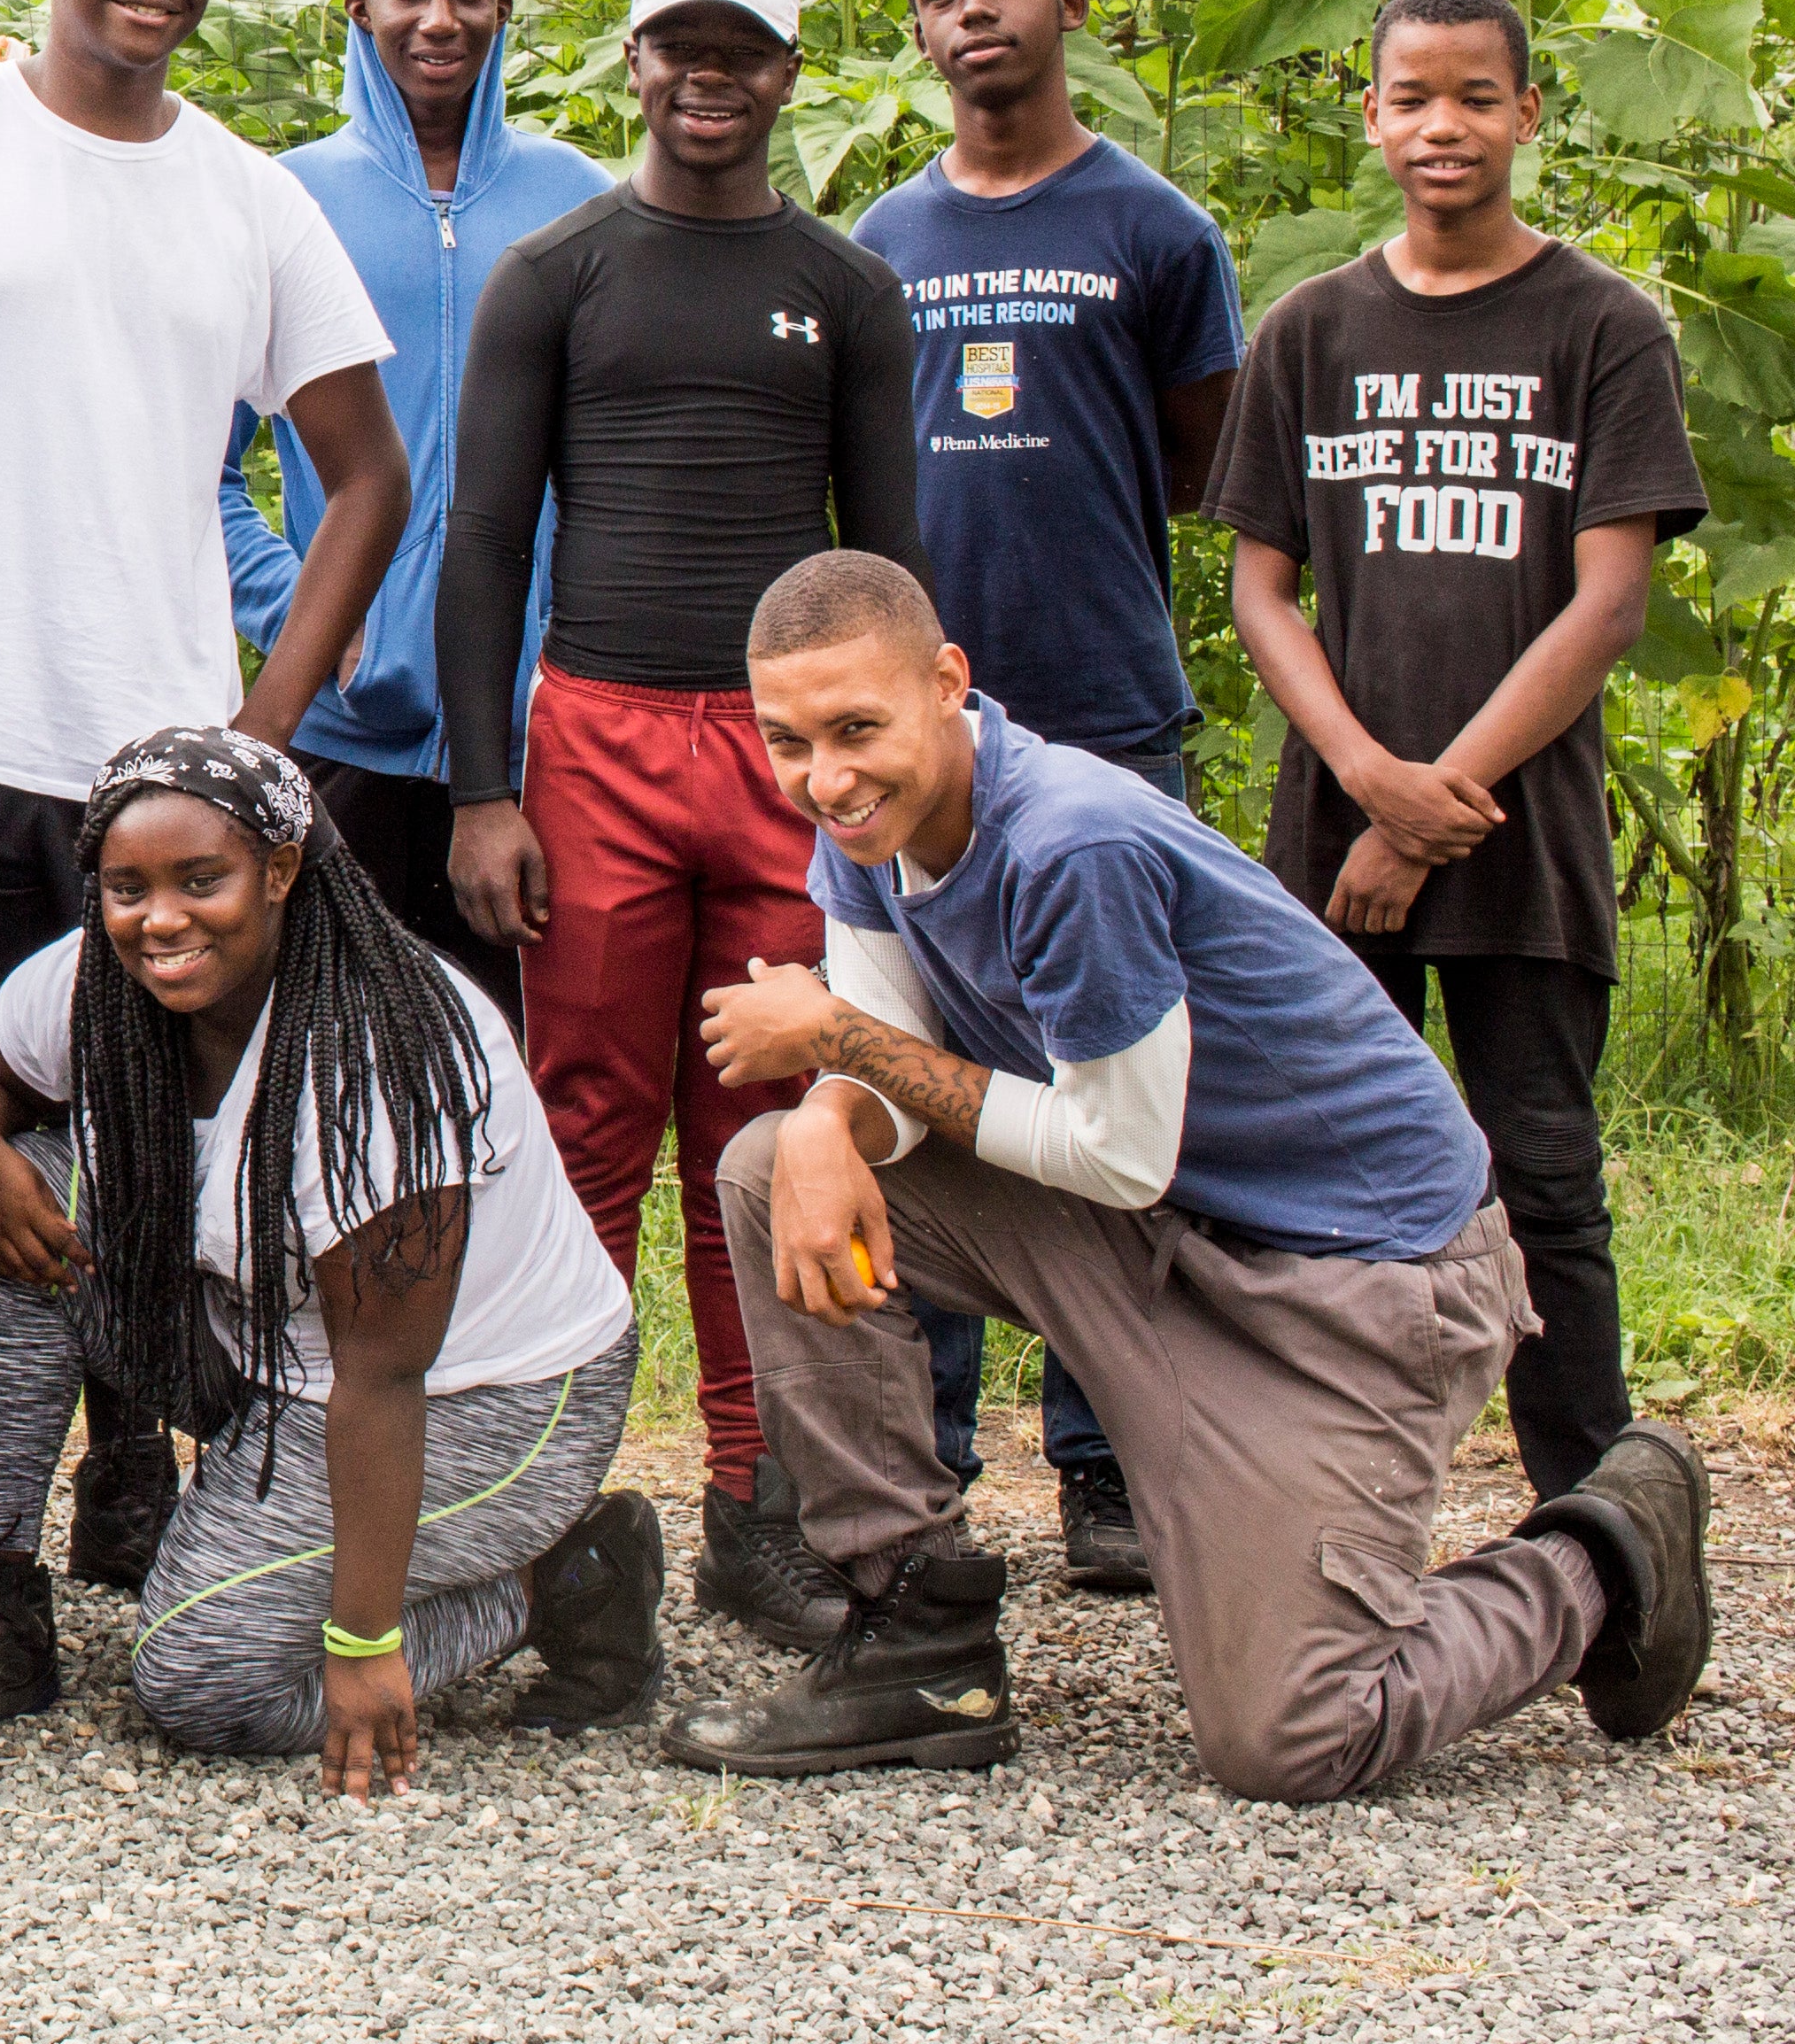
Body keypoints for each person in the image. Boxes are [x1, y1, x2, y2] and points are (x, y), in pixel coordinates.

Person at [665, 552, 1709, 1795]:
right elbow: (896, 1052)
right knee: (773, 1161)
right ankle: (917, 1639)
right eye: (788, 741)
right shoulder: (868, 827)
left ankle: (1606, 1552)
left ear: (948, 684)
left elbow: (1116, 1151)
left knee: (1293, 1738)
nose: (824, 778)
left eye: (855, 729)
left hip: (1359, 1280)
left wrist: (834, 1042)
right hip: (1160, 1228)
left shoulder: (1070, 844)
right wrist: (835, 1112)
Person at [0, 0, 402, 1583]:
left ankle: (131, 1466)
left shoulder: (247, 196)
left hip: (154, 788)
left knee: (146, 1140)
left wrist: (264, 740)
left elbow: (364, 475)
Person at [434, 0, 917, 1651]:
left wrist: (894, 786)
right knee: (583, 1134)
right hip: (602, 742)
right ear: (633, 60)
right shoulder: (560, 275)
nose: (709, 81)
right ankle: (551, 1510)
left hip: (792, 760)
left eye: (744, 54)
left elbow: (892, 561)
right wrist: (485, 789)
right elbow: (486, 535)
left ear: (789, 71)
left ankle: (758, 1506)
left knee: (776, 1129)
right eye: (679, 50)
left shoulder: (847, 289)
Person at [0, 725, 657, 1761]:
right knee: (18, 1199)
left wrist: (365, 1638)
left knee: (205, 1688)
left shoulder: (382, 1049)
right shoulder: (103, 977)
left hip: (481, 1397)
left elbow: (384, 1377)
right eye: (129, 888)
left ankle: (561, 1576)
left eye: (202, 880)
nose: (161, 919)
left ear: (281, 869)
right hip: (264, 1346)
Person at [1215, 0, 1702, 1509]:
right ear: (1369, 115)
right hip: (1332, 846)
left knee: (1545, 1180)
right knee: (1315, 1189)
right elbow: (1260, 588)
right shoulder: (1312, 329)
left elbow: (1606, 605)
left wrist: (1432, 803)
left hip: (1519, 848)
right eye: (1412, 97)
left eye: (1476, 98)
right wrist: (1365, 780)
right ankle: (1322, 1505)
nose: (1444, 127)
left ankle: (1597, 1526)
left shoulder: (1603, 326)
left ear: (1528, 115)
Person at [855, 0, 1243, 1589]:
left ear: (1069, 4)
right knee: (916, 1079)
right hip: (926, 747)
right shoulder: (880, 243)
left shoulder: (1155, 231)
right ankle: (925, 1462)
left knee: (1110, 1091)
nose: (976, 11)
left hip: (1103, 729)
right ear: (919, 20)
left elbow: (1199, 456)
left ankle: (1104, 1466)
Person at [217, 0, 610, 1024]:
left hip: (540, 740)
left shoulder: (577, 203)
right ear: (357, 7)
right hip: (350, 737)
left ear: (502, 10)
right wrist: (304, 614)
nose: (440, 20)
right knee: (333, 1066)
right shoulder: (288, 203)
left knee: (515, 1076)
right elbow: (205, 475)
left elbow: (610, 464)